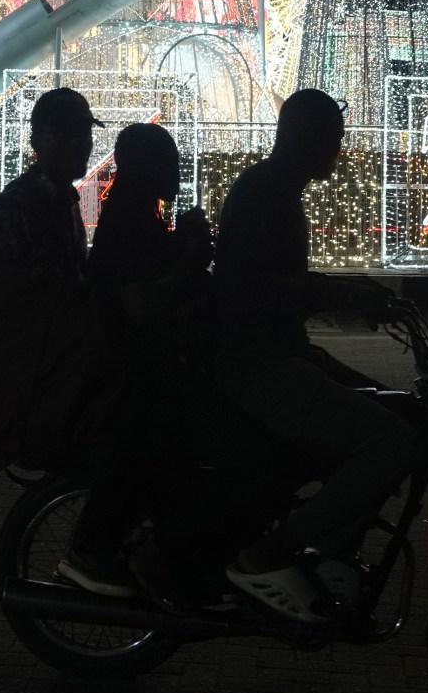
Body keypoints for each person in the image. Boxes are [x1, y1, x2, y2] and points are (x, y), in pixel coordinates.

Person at [206, 88, 424, 622]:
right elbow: (258, 291)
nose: (340, 149)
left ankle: (331, 548)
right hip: (258, 364)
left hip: (283, 353)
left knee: (401, 412)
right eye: (334, 138)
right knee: (388, 441)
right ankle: (273, 554)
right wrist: (343, 293)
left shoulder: (277, 189)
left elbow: (288, 284)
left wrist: (354, 291)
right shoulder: (267, 194)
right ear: (306, 138)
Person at [83, 122, 298, 608]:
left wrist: (184, 242)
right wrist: (191, 256)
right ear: (144, 169)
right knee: (247, 458)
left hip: (165, 367)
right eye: (168, 163)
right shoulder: (126, 220)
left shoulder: (143, 214)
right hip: (150, 376)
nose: (177, 173)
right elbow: (142, 306)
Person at [0, 86, 124, 503]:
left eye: (85, 133)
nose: (82, 144)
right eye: (70, 134)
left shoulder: (60, 198)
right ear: (40, 140)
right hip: (29, 361)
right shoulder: (22, 204)